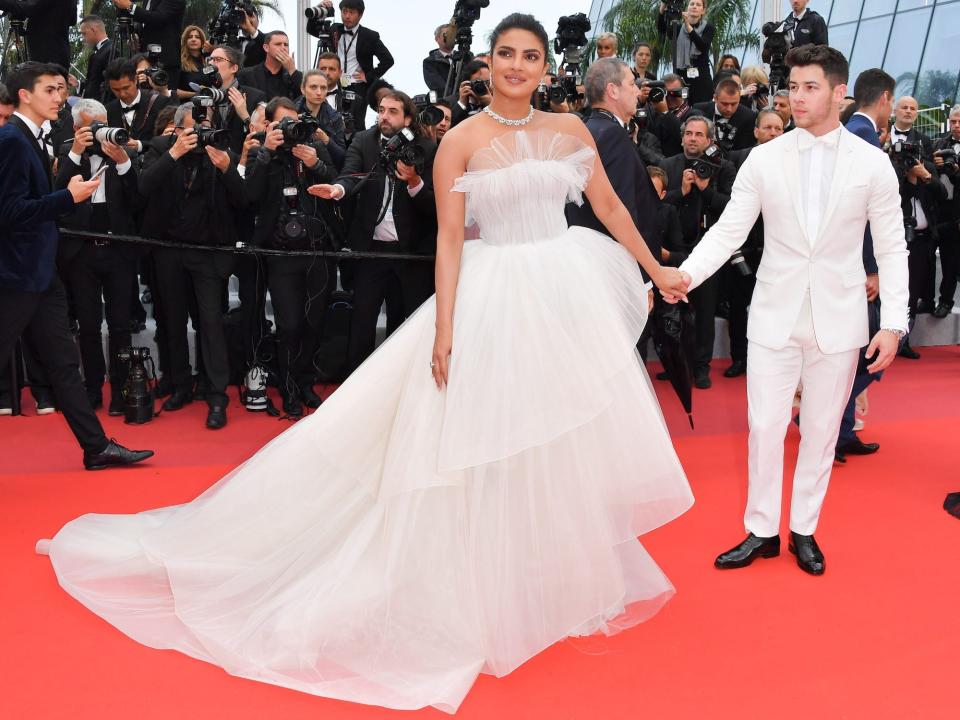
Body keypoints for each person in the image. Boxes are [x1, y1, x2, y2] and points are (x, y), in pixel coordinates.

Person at [36, 14, 693, 713]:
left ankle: (540, 572)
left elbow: (612, 207)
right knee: (471, 436)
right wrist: (445, 328)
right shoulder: (460, 142)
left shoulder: (572, 133)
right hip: (492, 291)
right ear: (490, 59)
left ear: (543, 67)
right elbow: (447, 240)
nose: (519, 66)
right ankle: (477, 580)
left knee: (548, 431)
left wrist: (655, 265)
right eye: (507, 53)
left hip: (560, 289)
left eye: (531, 56)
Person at [667, 45, 907, 576]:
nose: (796, 97)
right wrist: (685, 276)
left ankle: (803, 529)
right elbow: (730, 229)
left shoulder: (873, 164)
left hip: (839, 318)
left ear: (839, 93)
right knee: (764, 426)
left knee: (821, 431)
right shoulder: (764, 158)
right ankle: (761, 530)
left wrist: (893, 322)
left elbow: (892, 247)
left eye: (810, 87)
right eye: (792, 86)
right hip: (774, 312)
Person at [0, 63, 153, 470]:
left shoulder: (30, 138)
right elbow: (10, 211)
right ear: (24, 95)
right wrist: (68, 198)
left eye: (61, 90)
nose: (58, 97)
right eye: (49, 90)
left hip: (40, 274)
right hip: (16, 277)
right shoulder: (12, 140)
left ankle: (96, 447)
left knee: (64, 366)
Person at [112, 0, 185, 93]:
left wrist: (130, 7)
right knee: (145, 102)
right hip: (144, 61)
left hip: (165, 62)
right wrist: (135, 36)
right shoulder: (147, 1)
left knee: (165, 102)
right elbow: (145, 23)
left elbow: (158, 18)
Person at [658, 0, 714, 105]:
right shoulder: (678, 28)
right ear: (687, 8)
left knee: (701, 110)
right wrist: (662, 11)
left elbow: (702, 45)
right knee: (681, 109)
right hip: (682, 76)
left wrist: (688, 26)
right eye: (692, 4)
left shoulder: (708, 27)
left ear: (703, 10)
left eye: (698, 5)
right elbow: (663, 30)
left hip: (701, 78)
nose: (694, 7)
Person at [79, 16, 112, 102]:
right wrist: (78, 84)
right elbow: (94, 82)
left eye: (84, 34)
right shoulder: (98, 52)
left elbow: (109, 85)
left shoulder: (111, 50)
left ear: (94, 30)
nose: (83, 39)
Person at [176, 25, 209, 100]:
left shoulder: (209, 61)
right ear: (185, 40)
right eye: (189, 37)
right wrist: (195, 94)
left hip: (209, 105)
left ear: (202, 41)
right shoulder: (179, 62)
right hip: (185, 106)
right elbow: (172, 91)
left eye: (197, 37)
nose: (193, 39)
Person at [423, 23, 455, 96]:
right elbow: (437, 86)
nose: (450, 38)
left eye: (452, 35)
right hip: (446, 101)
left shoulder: (465, 57)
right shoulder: (430, 62)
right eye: (446, 34)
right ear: (437, 39)